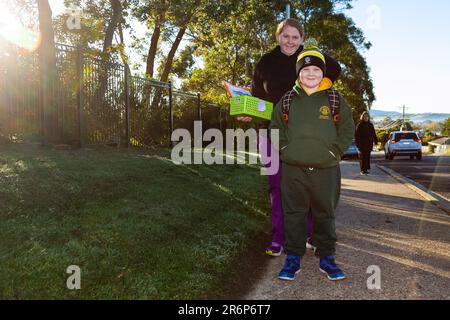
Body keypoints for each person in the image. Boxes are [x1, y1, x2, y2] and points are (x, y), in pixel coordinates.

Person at [238, 18, 342, 257]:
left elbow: (335, 69)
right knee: (276, 187)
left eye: (296, 37)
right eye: (286, 36)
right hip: (271, 133)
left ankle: (307, 235)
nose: (290, 41)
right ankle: (278, 238)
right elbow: (257, 100)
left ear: (302, 39)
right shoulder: (265, 63)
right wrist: (248, 113)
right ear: (278, 36)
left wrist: (314, 58)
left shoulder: (309, 59)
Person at [270, 40, 354, 281]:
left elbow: (348, 128)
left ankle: (327, 256)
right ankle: (293, 257)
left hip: (325, 169)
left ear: (323, 73)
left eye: (316, 69)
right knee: (293, 213)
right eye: (305, 69)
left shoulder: (335, 99)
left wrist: (335, 151)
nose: (310, 73)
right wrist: (285, 149)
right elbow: (275, 127)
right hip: (293, 168)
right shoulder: (287, 99)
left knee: (324, 213)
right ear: (298, 73)